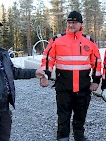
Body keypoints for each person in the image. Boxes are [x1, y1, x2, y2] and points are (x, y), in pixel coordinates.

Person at [40, 11, 102, 141]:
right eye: (69, 22)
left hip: (83, 87)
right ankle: (63, 138)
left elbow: (96, 62)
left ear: (80, 24)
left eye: (74, 22)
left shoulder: (89, 41)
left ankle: (79, 137)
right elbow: (48, 59)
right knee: (63, 116)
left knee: (80, 116)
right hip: (64, 88)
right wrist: (45, 75)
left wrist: (96, 80)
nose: (71, 25)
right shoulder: (57, 40)